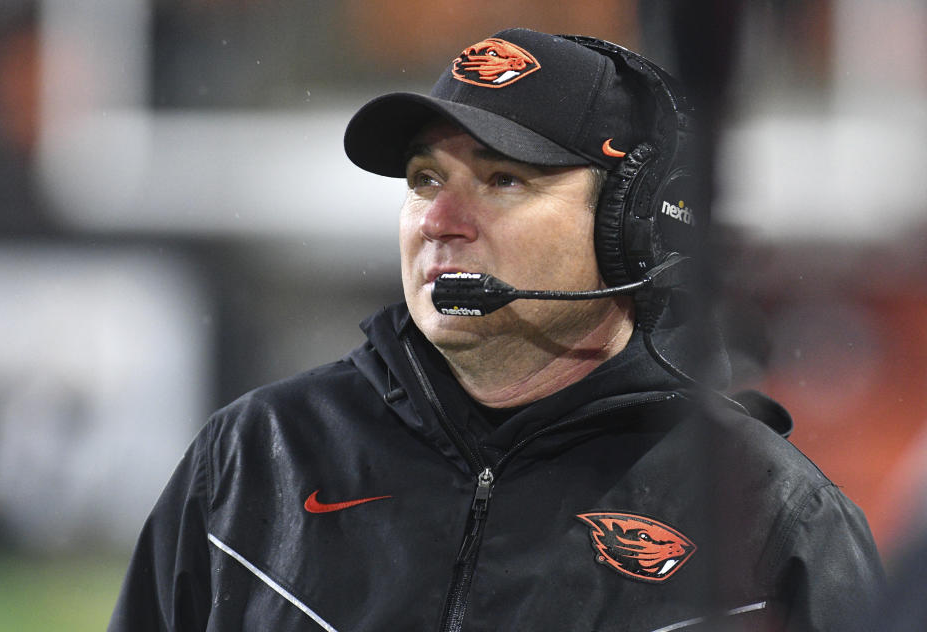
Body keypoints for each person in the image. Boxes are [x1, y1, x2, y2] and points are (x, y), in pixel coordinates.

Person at [108, 28, 883, 631]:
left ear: (634, 228)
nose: (439, 221)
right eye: (424, 180)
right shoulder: (253, 458)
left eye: (503, 178)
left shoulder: (767, 518)